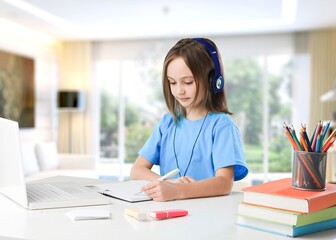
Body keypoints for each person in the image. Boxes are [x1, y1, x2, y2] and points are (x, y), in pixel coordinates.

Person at [130, 38, 248, 201]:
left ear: (213, 81)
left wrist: (178, 191)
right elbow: (137, 170)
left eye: (188, 82)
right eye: (172, 82)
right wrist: (170, 183)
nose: (179, 91)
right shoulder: (167, 123)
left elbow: (224, 183)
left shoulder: (222, 126)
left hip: (208, 214)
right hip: (169, 211)